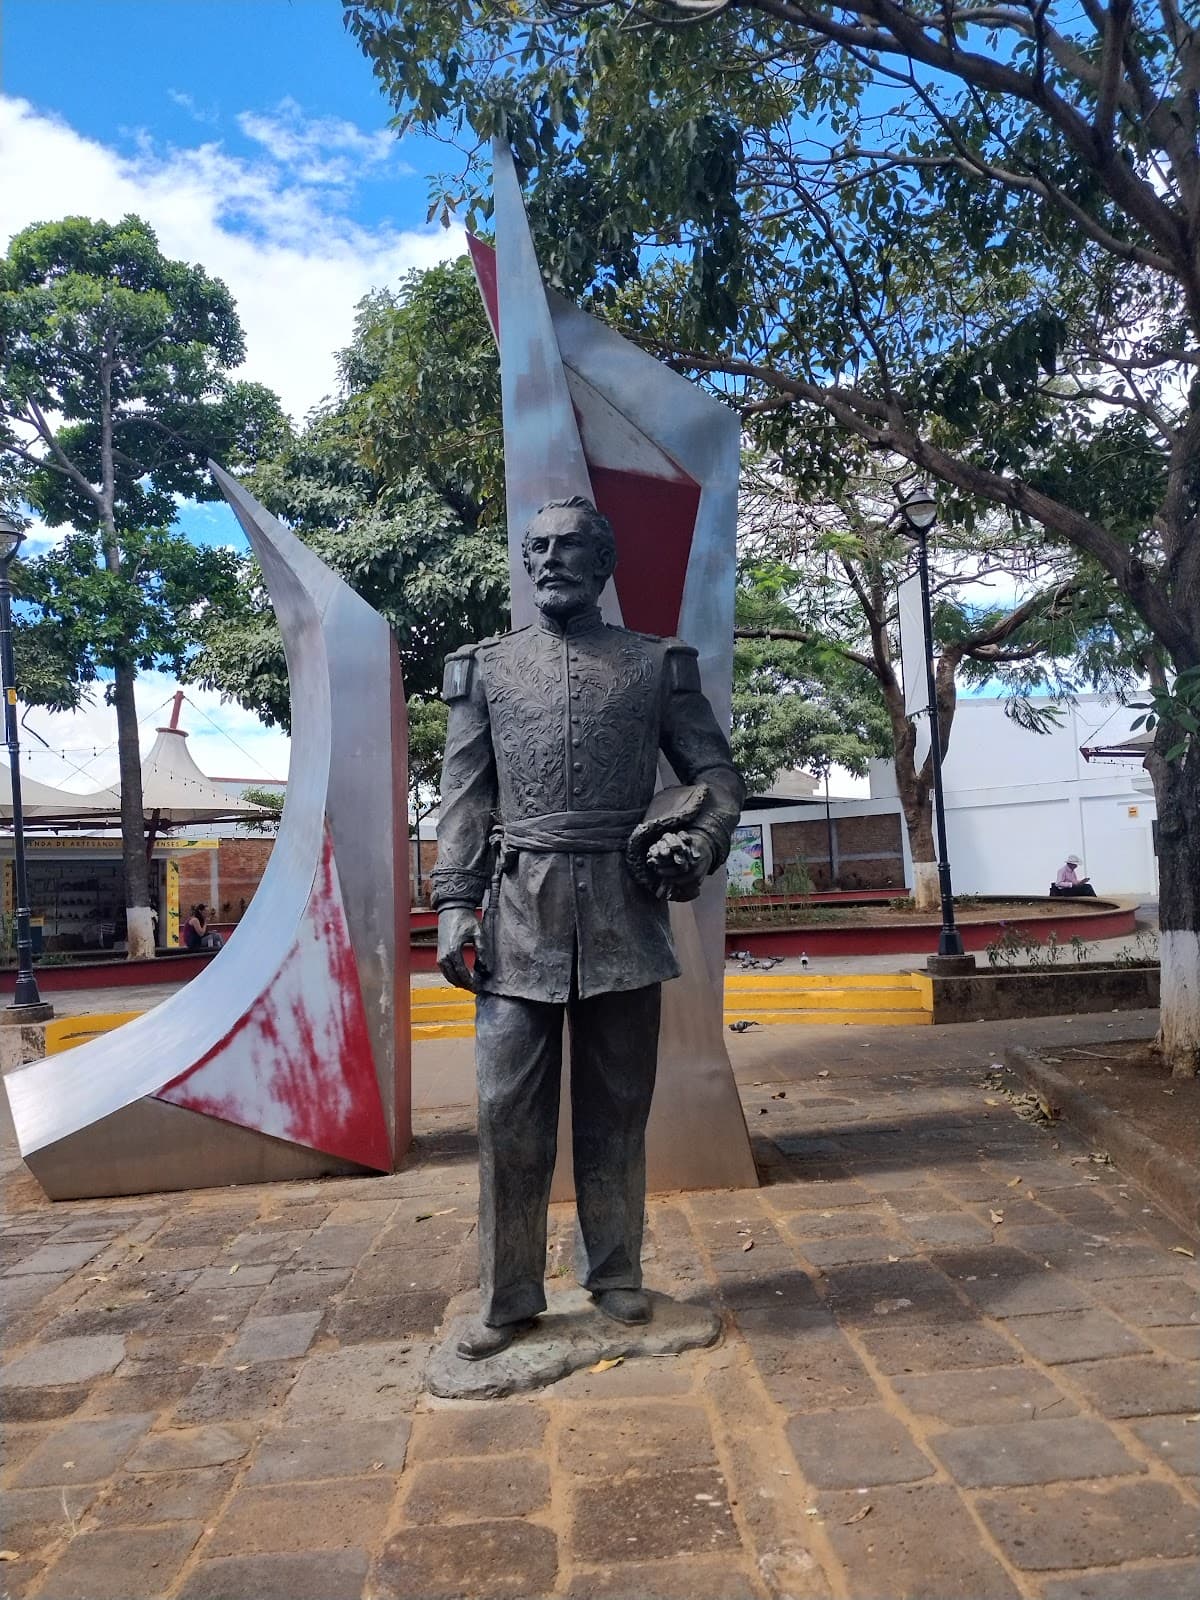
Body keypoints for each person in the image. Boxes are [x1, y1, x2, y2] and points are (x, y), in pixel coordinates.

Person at [433, 496, 744, 1360]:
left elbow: (715, 774)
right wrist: (455, 901)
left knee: (617, 1109)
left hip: (622, 910)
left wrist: (701, 836)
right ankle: (508, 1293)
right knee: (505, 1111)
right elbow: (464, 795)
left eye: (571, 546)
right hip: (517, 914)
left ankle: (614, 1273)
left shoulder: (656, 665)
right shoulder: (486, 668)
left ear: (604, 562)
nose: (550, 560)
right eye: (536, 548)